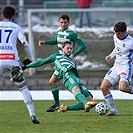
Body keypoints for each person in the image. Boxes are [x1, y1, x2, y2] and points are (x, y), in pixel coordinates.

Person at [22, 41, 98, 112]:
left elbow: (73, 75)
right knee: (74, 89)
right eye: (67, 48)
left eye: (71, 48)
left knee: (91, 101)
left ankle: (66, 108)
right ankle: (60, 104)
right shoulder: (57, 56)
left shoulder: (72, 61)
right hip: (68, 75)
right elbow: (42, 62)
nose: (69, 50)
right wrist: (27, 66)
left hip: (75, 78)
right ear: (62, 49)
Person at [38, 14, 87, 112]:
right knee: (52, 82)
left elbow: (83, 45)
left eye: (65, 22)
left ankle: (86, 98)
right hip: (60, 62)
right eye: (61, 22)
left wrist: (74, 54)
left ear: (69, 23)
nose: (63, 24)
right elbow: (55, 41)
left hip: (68, 63)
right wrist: (45, 42)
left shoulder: (71, 34)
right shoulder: (58, 32)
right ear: (59, 23)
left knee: (73, 84)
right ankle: (57, 105)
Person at [0, 5, 40, 124]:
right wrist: (30, 58)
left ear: (2, 16)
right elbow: (25, 44)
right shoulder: (16, 27)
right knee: (23, 88)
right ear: (13, 17)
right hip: (12, 60)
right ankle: (32, 115)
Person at [100, 21, 133, 116]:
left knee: (123, 88)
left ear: (124, 32)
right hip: (116, 66)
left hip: (126, 67)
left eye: (118, 33)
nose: (116, 35)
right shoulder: (115, 37)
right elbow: (117, 48)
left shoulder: (130, 42)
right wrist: (110, 56)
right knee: (103, 87)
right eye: (116, 33)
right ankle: (114, 110)